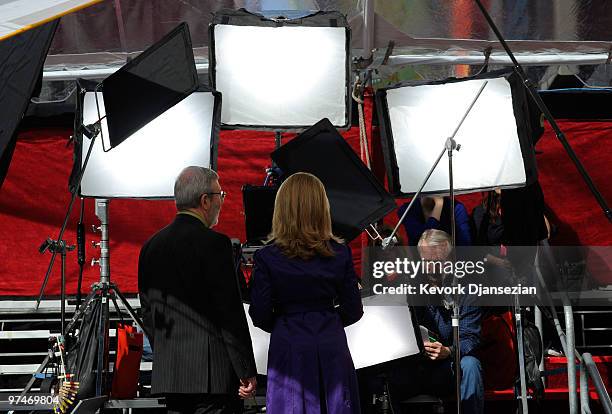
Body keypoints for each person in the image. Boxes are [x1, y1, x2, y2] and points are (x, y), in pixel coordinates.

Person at [138, 166, 257, 414]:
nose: (222, 202)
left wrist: (167, 353)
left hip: (171, 377)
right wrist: (245, 371)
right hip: (213, 379)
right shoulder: (216, 245)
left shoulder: (150, 247)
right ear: (205, 200)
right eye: (220, 195)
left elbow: (148, 314)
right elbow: (229, 314)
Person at [249, 172, 364, 414]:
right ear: (322, 208)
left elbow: (259, 313)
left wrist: (283, 322)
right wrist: (328, 319)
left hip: (288, 344)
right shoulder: (340, 253)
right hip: (330, 341)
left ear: (281, 209)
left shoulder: (266, 257)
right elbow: (354, 310)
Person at [398, 196, 472, 246]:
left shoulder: (456, 208)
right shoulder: (407, 210)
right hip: (420, 265)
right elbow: (422, 238)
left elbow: (465, 245)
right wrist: (438, 206)